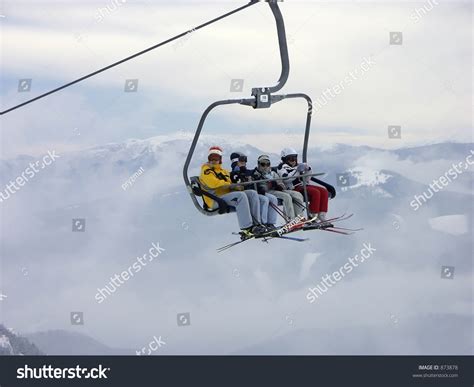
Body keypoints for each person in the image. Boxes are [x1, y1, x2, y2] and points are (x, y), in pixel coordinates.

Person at [199, 146, 266, 237]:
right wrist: (229, 185)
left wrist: (235, 187)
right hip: (215, 199)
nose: (214, 160)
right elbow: (213, 183)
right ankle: (247, 228)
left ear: (220, 159)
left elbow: (229, 185)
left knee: (252, 193)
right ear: (209, 158)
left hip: (226, 196)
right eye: (212, 158)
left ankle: (257, 224)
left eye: (216, 158)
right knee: (240, 196)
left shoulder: (224, 171)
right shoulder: (206, 170)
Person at [277, 147, 330, 223]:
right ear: (284, 159)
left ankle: (321, 215)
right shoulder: (282, 167)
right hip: (292, 188)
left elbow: (307, 179)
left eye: (295, 158)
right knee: (315, 192)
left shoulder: (297, 166)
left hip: (302, 185)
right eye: (290, 158)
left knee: (324, 191)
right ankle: (312, 215)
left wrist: (308, 169)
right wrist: (297, 170)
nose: (293, 161)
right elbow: (287, 178)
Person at [230, 152, 277, 231]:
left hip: (255, 192)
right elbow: (237, 184)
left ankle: (270, 223)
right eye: (242, 161)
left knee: (273, 198)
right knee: (264, 200)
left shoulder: (248, 172)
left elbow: (256, 177)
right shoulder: (233, 174)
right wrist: (241, 171)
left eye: (245, 160)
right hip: (247, 195)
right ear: (236, 162)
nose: (244, 163)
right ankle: (261, 223)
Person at [251, 154, 305, 221]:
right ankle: (290, 219)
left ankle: (300, 217)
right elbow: (260, 188)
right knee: (286, 197)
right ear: (259, 164)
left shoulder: (272, 173)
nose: (265, 166)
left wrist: (279, 186)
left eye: (268, 164)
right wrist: (271, 185)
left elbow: (281, 184)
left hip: (277, 190)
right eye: (263, 164)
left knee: (297, 194)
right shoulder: (257, 175)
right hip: (268, 191)